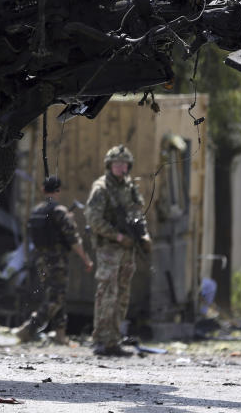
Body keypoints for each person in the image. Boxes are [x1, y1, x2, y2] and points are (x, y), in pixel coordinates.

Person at [84, 144, 151, 357]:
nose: (121, 167)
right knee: (107, 293)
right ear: (109, 165)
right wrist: (118, 236)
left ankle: (113, 340)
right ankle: (100, 340)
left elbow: (137, 214)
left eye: (124, 164)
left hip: (128, 250)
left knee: (122, 295)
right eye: (116, 164)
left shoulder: (129, 187)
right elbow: (93, 219)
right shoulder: (101, 188)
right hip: (109, 249)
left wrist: (144, 235)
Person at [15, 176, 93, 344]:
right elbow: (74, 239)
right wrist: (85, 259)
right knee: (56, 298)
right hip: (57, 260)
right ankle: (29, 328)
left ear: (43, 190)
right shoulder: (60, 211)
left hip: (41, 260)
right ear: (58, 191)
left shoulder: (37, 211)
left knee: (57, 295)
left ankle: (60, 335)